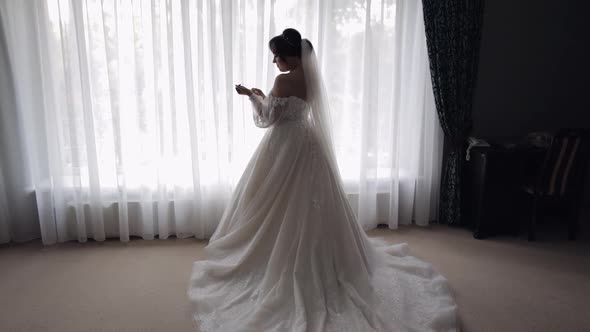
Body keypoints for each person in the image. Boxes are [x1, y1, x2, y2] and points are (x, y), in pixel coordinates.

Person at [188, 28, 458, 332]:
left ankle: (278, 262)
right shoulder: (312, 77)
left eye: (277, 55)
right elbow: (295, 110)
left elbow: (267, 119)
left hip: (283, 145)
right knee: (312, 202)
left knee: (274, 201)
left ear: (290, 55)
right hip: (307, 141)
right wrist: (265, 98)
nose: (275, 61)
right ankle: (328, 261)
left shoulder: (282, 80)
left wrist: (253, 96)